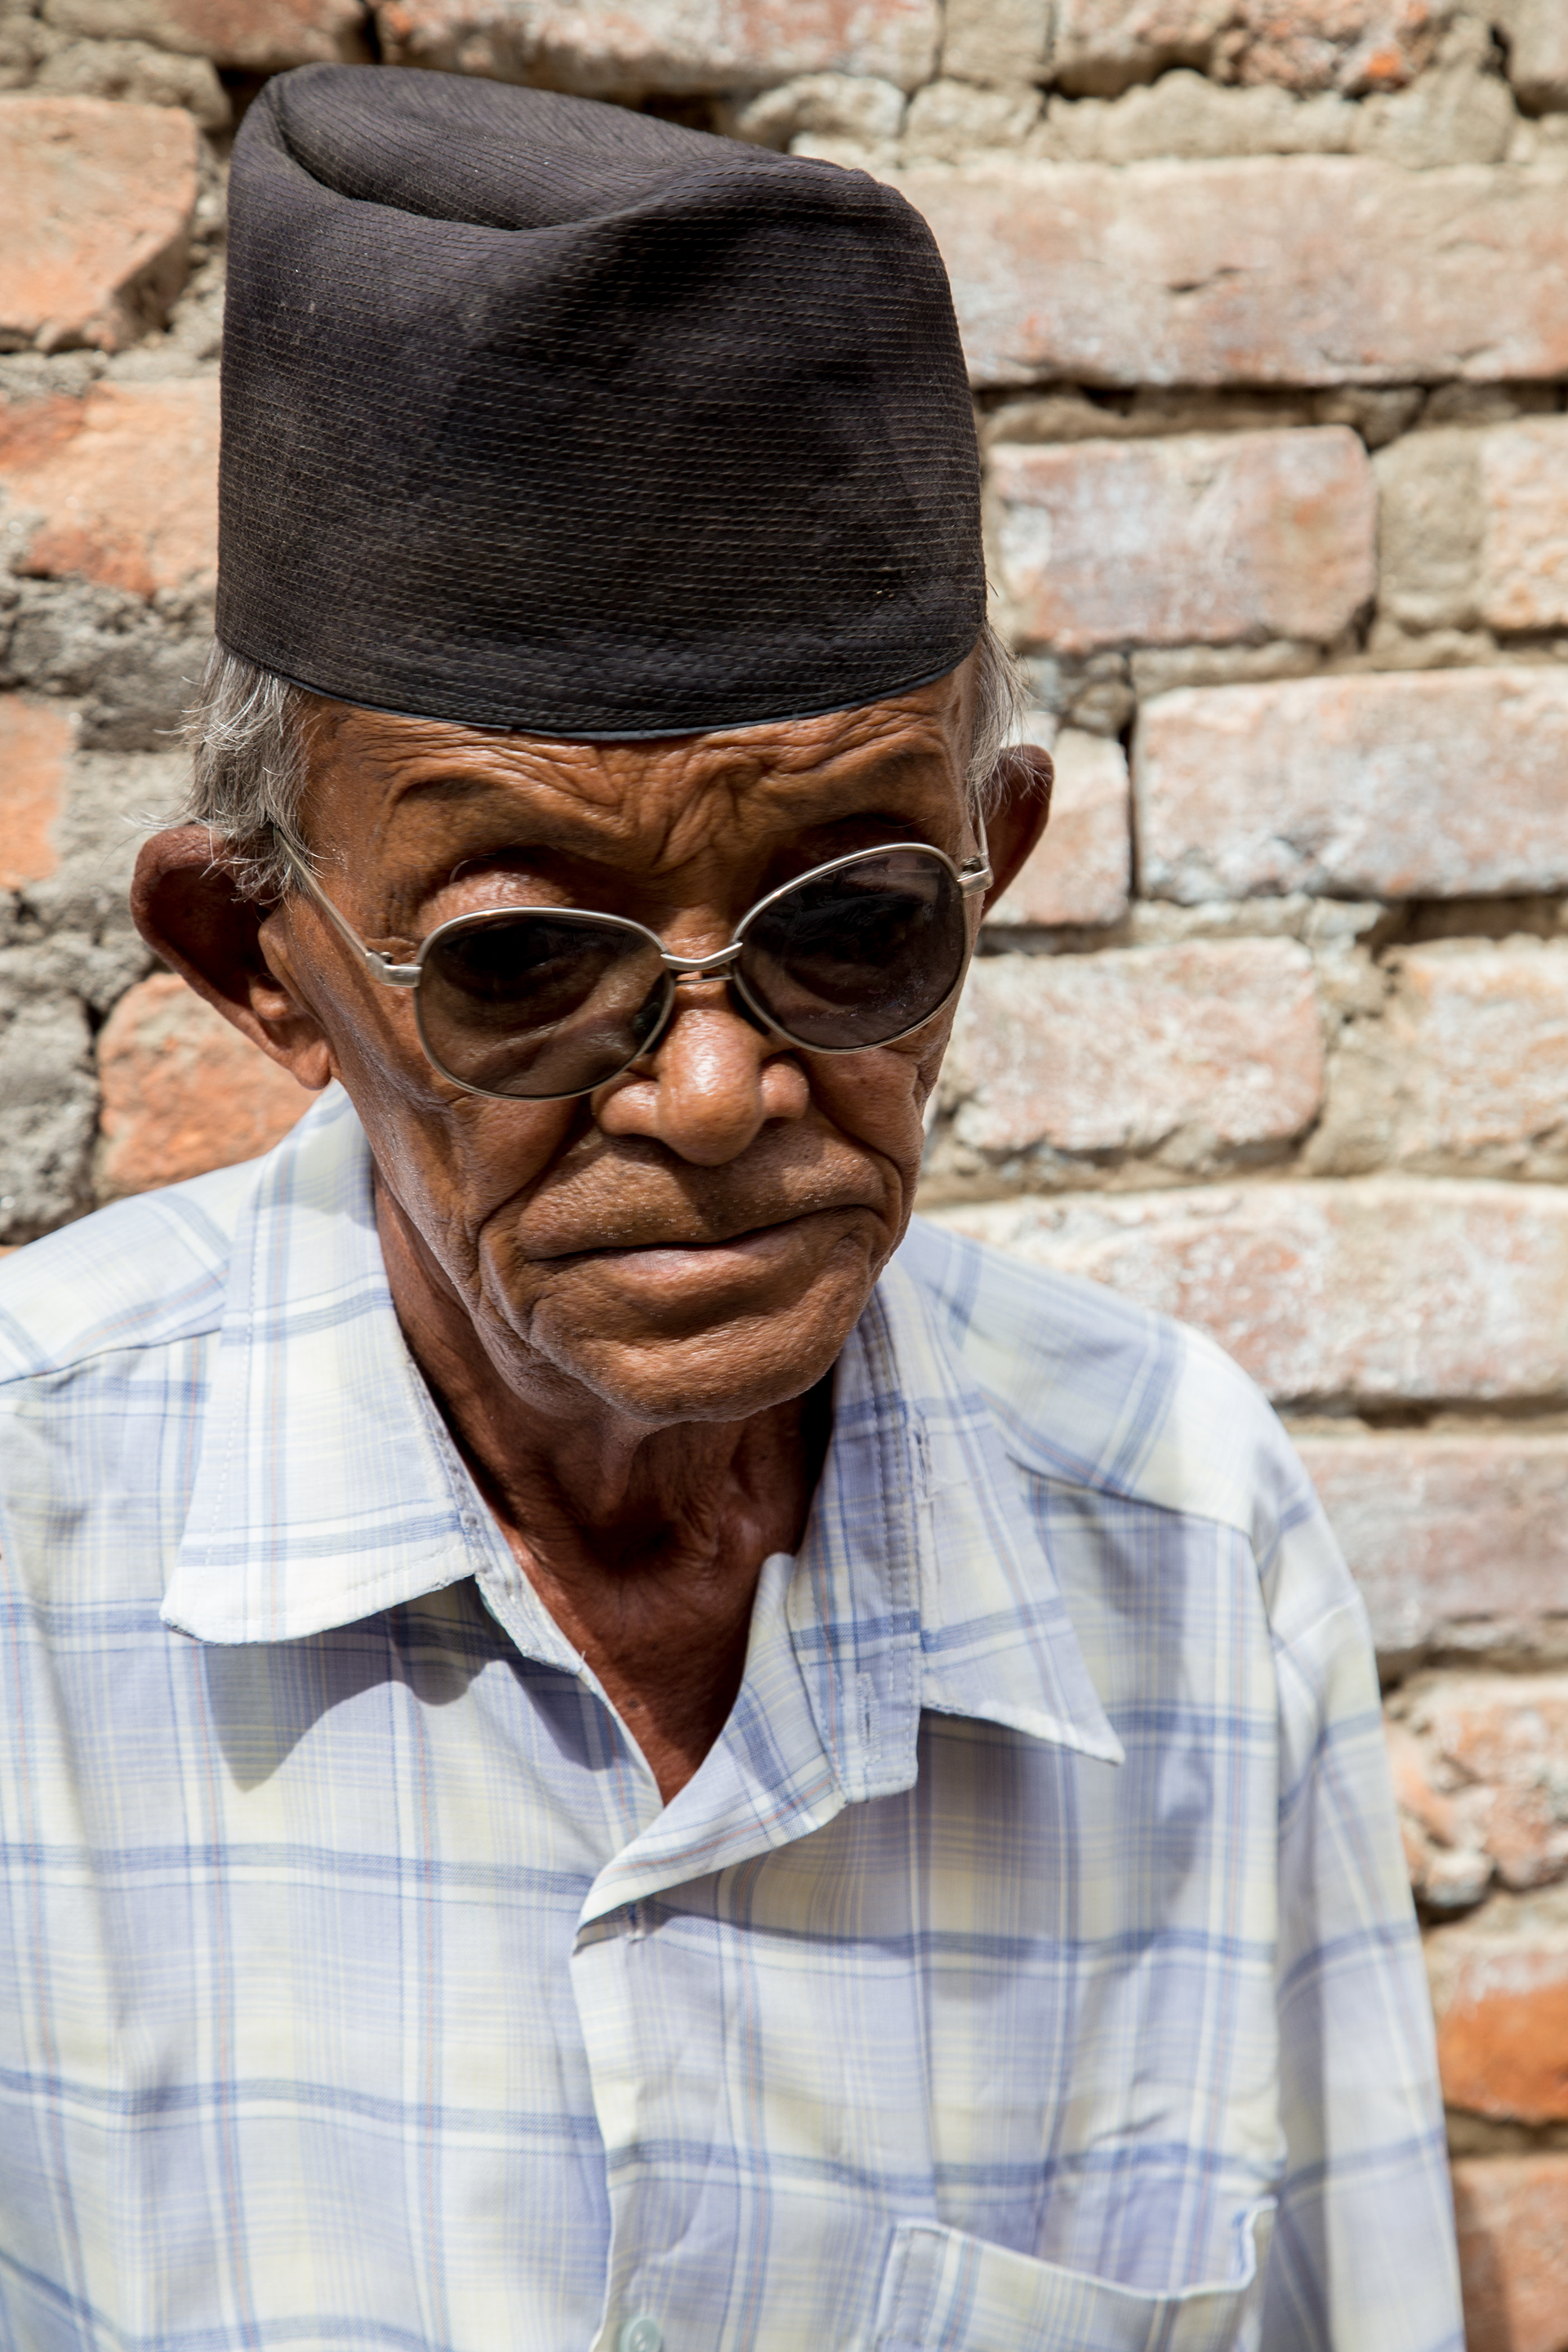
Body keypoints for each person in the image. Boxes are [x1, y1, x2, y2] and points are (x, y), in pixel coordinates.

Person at [0, 63, 1460, 2352]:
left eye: (853, 921)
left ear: (999, 867)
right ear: (257, 962)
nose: (707, 1088)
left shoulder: (1181, 1535)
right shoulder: (28, 1548)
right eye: (519, 958)